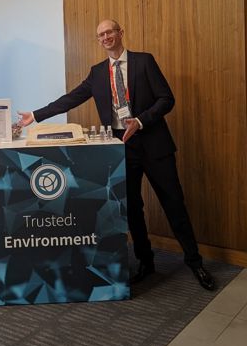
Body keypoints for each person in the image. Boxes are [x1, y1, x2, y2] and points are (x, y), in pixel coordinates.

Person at [19, 19, 215, 291]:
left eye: (110, 31)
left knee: (175, 205)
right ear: (99, 40)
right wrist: (36, 115)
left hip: (155, 145)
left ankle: (195, 263)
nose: (106, 37)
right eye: (100, 34)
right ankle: (146, 262)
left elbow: (166, 99)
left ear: (120, 33)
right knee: (133, 210)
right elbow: (71, 98)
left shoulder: (144, 62)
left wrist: (141, 120)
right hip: (122, 147)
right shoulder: (98, 73)